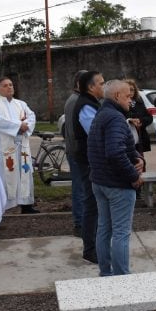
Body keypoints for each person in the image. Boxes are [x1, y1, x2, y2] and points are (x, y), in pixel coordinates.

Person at [87, 80, 145, 277]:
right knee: (120, 232)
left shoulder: (101, 114)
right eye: (128, 96)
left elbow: (119, 148)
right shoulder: (115, 118)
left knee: (104, 229)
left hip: (100, 182)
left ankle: (106, 273)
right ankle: (121, 279)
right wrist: (133, 176)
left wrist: (137, 158)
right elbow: (114, 152)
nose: (131, 101)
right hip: (117, 184)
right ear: (117, 96)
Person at [0, 77, 37, 214]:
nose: (9, 87)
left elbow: (31, 116)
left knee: (24, 172)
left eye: (11, 85)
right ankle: (5, 205)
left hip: (22, 145)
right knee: (6, 173)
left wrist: (26, 126)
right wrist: (19, 125)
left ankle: (26, 204)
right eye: (5, 85)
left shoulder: (21, 104)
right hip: (5, 147)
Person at [72, 70, 105, 264]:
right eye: (101, 83)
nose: (104, 85)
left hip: (92, 160)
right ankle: (90, 250)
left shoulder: (92, 103)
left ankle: (95, 244)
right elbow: (95, 133)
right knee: (91, 205)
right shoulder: (85, 106)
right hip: (88, 162)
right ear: (91, 87)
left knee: (95, 204)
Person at [64, 69, 88, 237]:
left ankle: (82, 222)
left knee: (83, 188)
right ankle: (79, 224)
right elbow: (73, 131)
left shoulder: (79, 99)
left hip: (77, 151)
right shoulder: (76, 101)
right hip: (77, 153)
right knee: (79, 188)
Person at [124, 79, 153, 154]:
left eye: (132, 90)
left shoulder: (139, 102)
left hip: (140, 137)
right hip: (127, 137)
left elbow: (149, 117)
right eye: (128, 90)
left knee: (140, 161)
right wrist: (131, 121)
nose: (130, 92)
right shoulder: (122, 104)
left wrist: (140, 121)